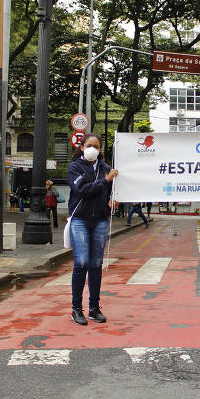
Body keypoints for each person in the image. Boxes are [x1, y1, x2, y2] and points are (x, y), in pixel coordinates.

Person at [67, 133, 118, 326]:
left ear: (100, 149)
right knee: (81, 262)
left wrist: (112, 200)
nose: (92, 149)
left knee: (96, 264)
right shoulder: (75, 167)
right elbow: (83, 190)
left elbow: (111, 192)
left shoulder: (106, 169)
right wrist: (105, 180)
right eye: (89, 145)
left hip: (100, 220)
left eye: (96, 146)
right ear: (81, 147)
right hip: (80, 219)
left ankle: (94, 308)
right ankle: (76, 308)